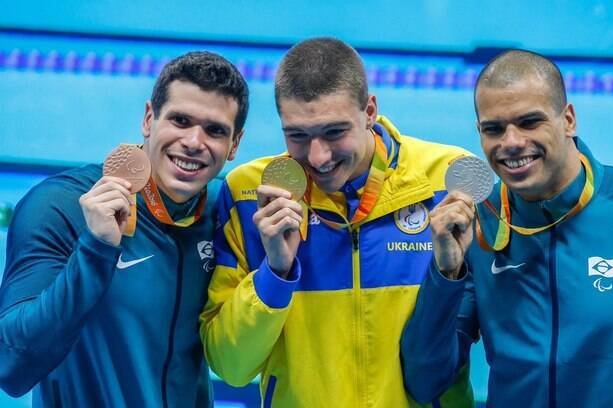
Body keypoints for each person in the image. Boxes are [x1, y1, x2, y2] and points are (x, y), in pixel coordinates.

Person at [199, 37, 473, 407]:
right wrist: (275, 272)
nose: (318, 156)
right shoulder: (250, 195)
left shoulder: (448, 180)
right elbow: (231, 366)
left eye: (334, 132)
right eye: (297, 135)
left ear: (370, 110)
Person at [400, 49, 613, 406]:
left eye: (530, 122)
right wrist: (446, 273)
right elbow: (426, 381)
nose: (512, 142)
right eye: (494, 128)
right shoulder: (477, 225)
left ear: (568, 119)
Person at [0, 51, 249, 406]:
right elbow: (11, 364)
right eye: (180, 120)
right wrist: (96, 248)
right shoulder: (60, 205)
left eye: (214, 130)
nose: (194, 142)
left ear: (235, 144)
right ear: (149, 119)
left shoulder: (224, 216)